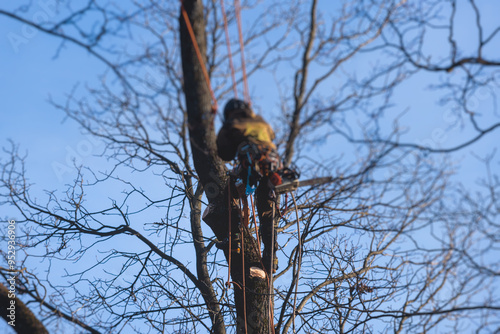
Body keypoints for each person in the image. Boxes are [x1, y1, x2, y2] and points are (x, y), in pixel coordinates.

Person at [216, 98, 286, 273]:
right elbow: (272, 136)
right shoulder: (262, 122)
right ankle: (271, 259)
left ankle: (234, 239)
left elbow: (224, 152)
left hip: (251, 161)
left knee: (229, 190)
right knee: (267, 210)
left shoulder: (233, 123)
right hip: (273, 164)